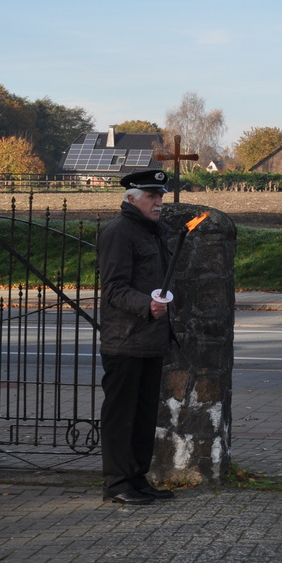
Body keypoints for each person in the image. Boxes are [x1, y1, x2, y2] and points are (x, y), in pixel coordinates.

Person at [97, 169, 177, 505]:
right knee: (121, 416)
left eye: (160, 196)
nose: (158, 202)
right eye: (151, 197)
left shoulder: (154, 232)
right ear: (132, 198)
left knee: (144, 416)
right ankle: (117, 484)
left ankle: (137, 478)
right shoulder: (119, 232)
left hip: (150, 340)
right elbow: (113, 288)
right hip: (124, 340)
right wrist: (147, 305)